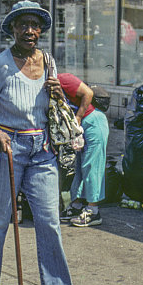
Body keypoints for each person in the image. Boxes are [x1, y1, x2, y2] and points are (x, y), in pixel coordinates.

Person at [0, 0, 88, 285]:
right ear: (13, 29)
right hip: (9, 148)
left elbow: (55, 108)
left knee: (49, 222)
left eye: (35, 25)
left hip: (43, 149)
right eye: (23, 25)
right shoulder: (2, 65)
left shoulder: (48, 62)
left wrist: (57, 94)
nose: (30, 31)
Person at [57, 73, 110, 228]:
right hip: (78, 128)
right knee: (79, 166)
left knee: (92, 166)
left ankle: (93, 211)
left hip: (92, 122)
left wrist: (78, 118)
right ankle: (76, 206)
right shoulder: (44, 88)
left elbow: (88, 93)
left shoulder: (63, 79)